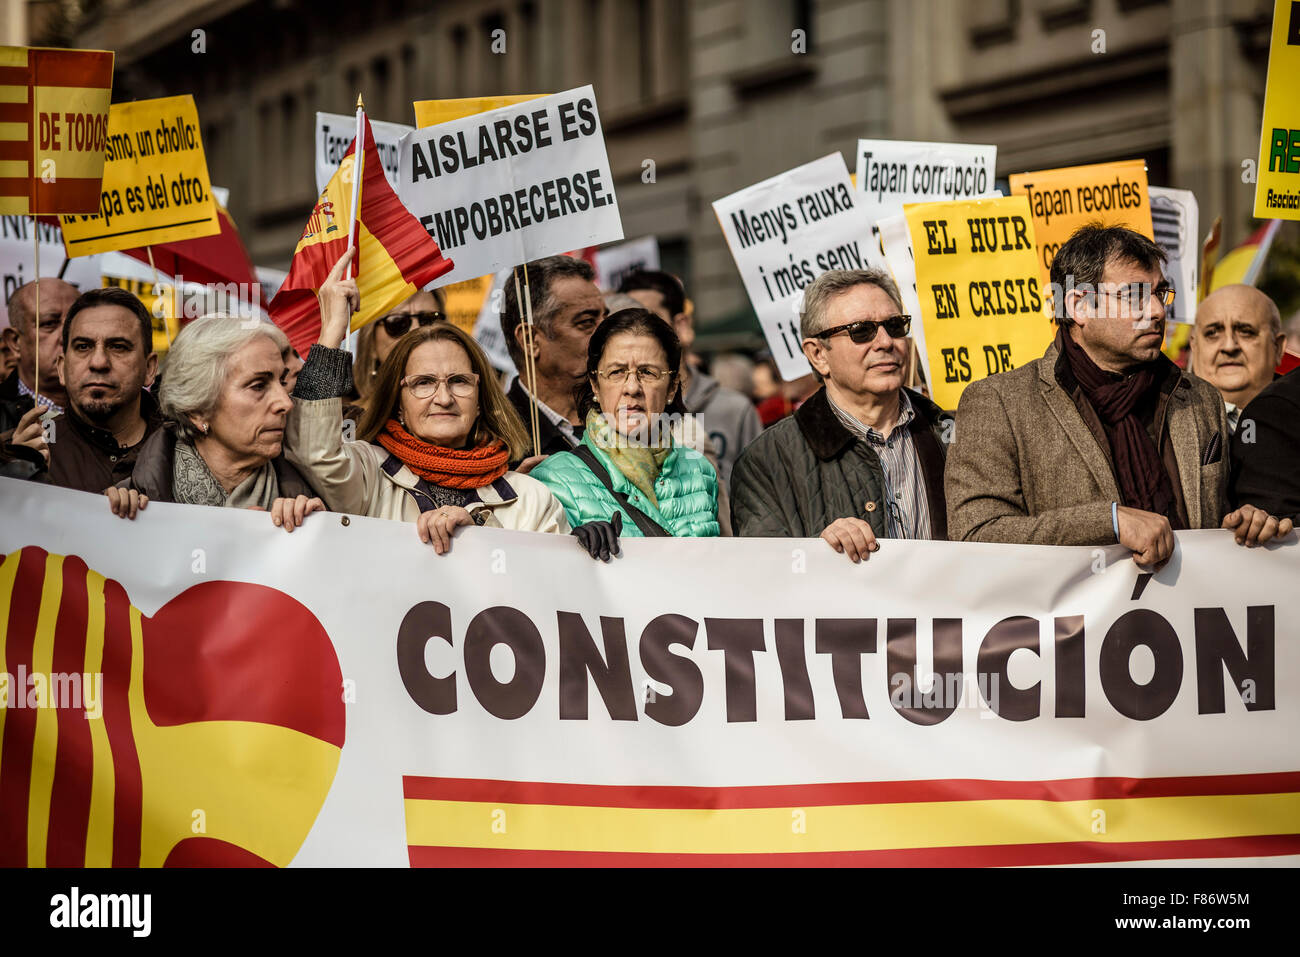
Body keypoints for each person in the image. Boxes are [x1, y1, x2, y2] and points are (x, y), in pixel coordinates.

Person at [945, 224, 1293, 563]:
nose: (1157, 311)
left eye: (1160, 293)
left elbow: (1218, 518)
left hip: (1191, 617)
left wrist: (1247, 522)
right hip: (1076, 623)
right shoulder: (998, 403)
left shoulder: (1200, 398)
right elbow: (975, 534)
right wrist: (1110, 522)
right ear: (1080, 306)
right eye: (1135, 296)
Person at [286, 249, 577, 555]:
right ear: (399, 403)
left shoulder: (531, 497)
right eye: (423, 383)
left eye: (459, 381)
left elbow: (548, 590)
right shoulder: (367, 474)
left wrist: (481, 535)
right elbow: (313, 450)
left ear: (481, 400)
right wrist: (332, 329)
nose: (443, 398)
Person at [730, 269, 952, 562]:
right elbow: (764, 577)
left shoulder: (952, 435)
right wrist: (819, 553)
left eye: (895, 325)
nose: (886, 342)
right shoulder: (766, 461)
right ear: (818, 354)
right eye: (862, 330)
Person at [106, 313, 322, 532]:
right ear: (197, 410)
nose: (285, 402)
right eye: (258, 386)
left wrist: (319, 532)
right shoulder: (130, 506)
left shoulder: (309, 500)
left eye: (282, 381)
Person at [530, 308, 720, 545]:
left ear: (671, 388)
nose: (632, 387)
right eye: (617, 372)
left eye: (648, 373)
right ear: (596, 386)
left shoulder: (700, 472)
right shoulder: (553, 478)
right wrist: (572, 546)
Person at [3, 287, 162, 492]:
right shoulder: (16, 452)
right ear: (62, 368)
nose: (98, 362)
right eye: (83, 347)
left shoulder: (186, 449)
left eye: (118, 346)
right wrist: (18, 477)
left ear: (149, 368)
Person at [619, 269, 761, 485]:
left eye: (649, 322)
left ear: (682, 326)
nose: (636, 336)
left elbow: (758, 493)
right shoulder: (617, 416)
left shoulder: (735, 410)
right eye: (625, 325)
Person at [499, 255, 606, 459]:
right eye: (586, 322)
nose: (608, 332)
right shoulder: (495, 440)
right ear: (531, 340)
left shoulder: (629, 416)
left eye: (606, 318)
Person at [1190, 284, 1285, 433]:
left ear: (1277, 347)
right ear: (1194, 347)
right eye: (1212, 333)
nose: (1229, 346)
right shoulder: (1159, 426)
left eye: (1246, 332)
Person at [0, 279, 78, 434]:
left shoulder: (119, 408)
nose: (67, 336)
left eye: (76, 323)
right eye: (49, 323)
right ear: (15, 342)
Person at [351, 287, 446, 405]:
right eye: (398, 322)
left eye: (429, 320)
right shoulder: (348, 419)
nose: (416, 331)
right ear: (371, 343)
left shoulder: (467, 409)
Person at [1231, 366, 1300, 522]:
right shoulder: (1276, 409)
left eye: (1249, 339)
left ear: (1279, 346)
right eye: (1212, 339)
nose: (1229, 348)